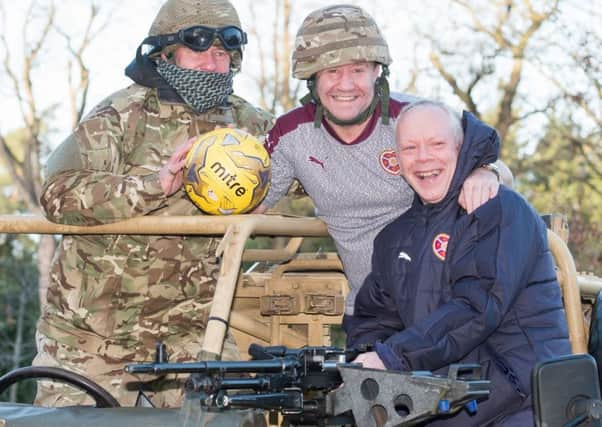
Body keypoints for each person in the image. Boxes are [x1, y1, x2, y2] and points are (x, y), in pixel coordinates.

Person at [32, 0, 273, 407]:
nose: (213, 65)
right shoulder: (119, 117)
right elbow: (58, 193)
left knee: (239, 414)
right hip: (93, 335)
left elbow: (311, 169)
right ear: (165, 53)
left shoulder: (249, 125)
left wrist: (271, 196)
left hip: (195, 330)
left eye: (223, 54)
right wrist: (153, 185)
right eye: (200, 50)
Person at [254, 4, 507, 314]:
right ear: (312, 77)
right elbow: (249, 198)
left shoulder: (414, 117)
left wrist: (483, 171)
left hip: (449, 304)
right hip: (373, 311)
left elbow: (499, 170)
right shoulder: (292, 133)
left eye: (358, 70)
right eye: (332, 71)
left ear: (377, 71)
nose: (345, 84)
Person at [345, 100, 571, 426]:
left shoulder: (498, 209)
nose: (423, 158)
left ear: (460, 147)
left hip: (522, 401)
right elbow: (375, 319)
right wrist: (358, 357)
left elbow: (477, 306)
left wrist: (391, 357)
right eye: (410, 148)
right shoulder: (393, 239)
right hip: (441, 401)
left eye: (436, 144)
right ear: (397, 160)